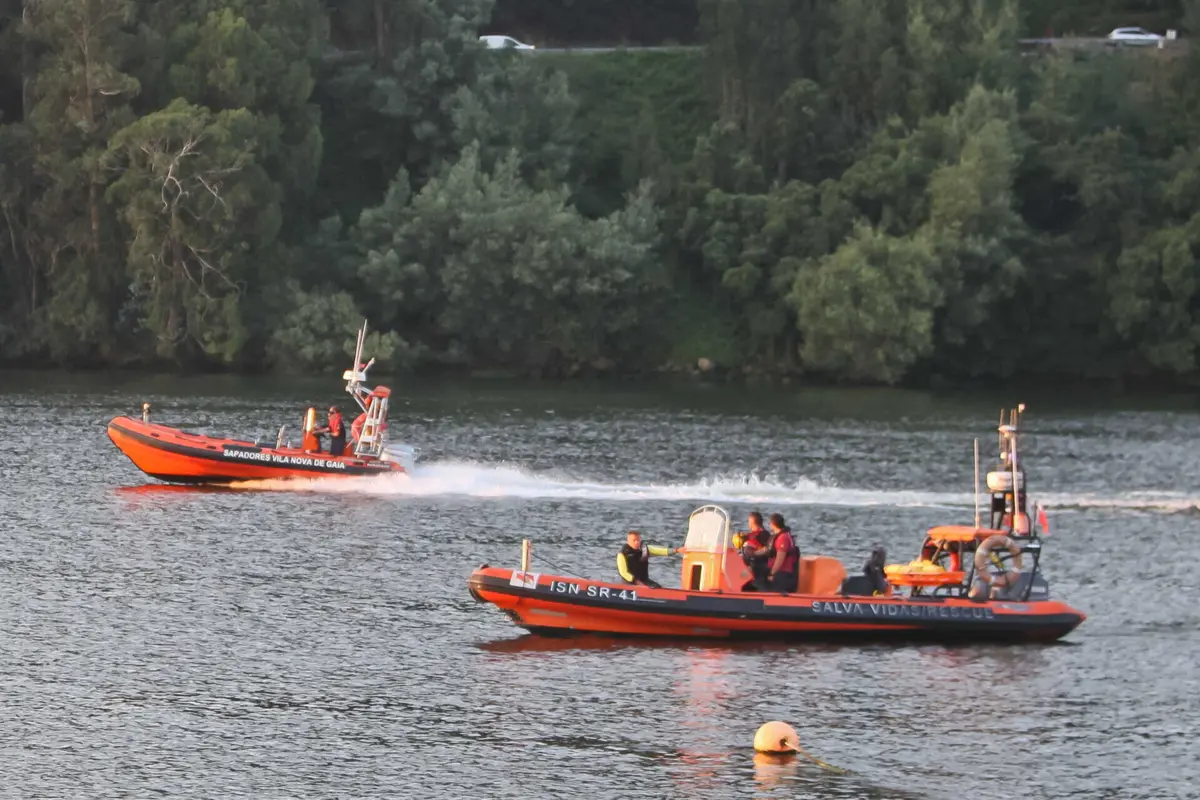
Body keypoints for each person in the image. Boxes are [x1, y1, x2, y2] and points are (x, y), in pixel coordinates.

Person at [617, 530, 682, 589]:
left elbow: (660, 550)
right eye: (634, 540)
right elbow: (623, 573)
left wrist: (677, 550)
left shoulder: (645, 549)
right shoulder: (622, 554)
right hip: (629, 582)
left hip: (644, 580)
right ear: (628, 541)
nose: (636, 542)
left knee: (658, 588)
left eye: (638, 540)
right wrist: (638, 582)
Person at [764, 513, 799, 592]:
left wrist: (772, 573)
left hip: (782, 573)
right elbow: (767, 550)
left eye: (770, 523)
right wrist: (753, 553)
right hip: (780, 572)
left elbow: (780, 558)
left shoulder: (783, 538)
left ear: (773, 524)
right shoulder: (780, 536)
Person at [740, 511, 773, 591]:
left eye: (749, 521)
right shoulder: (749, 535)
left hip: (758, 568)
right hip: (748, 568)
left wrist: (754, 554)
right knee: (743, 584)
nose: (748, 523)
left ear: (752, 522)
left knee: (760, 587)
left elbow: (767, 550)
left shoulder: (764, 534)